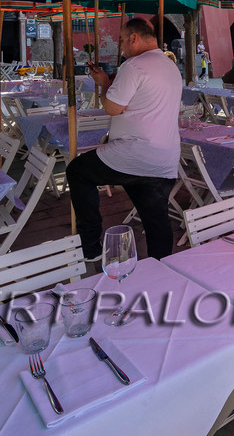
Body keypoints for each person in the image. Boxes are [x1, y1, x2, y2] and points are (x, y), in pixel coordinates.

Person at [70, 18, 182, 260]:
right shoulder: (170, 65)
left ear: (134, 38)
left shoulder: (133, 66)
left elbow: (112, 107)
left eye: (121, 40)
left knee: (77, 171)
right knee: (156, 218)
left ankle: (90, 246)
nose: (120, 46)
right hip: (165, 157)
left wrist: (103, 85)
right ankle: (162, 266)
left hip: (134, 152)